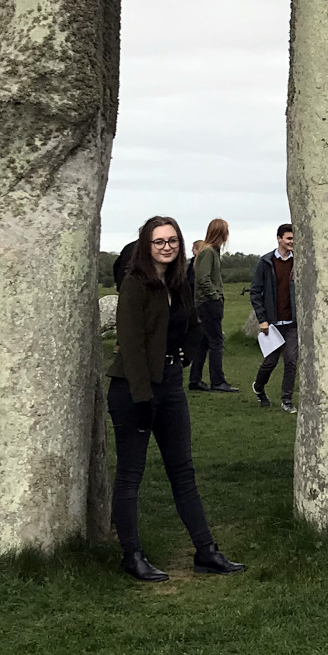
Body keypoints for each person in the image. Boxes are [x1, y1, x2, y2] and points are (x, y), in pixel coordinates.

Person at [107, 215, 245, 582]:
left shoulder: (179, 281)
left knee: (183, 471)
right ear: (145, 246)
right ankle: (132, 555)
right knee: (130, 475)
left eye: (172, 241)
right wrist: (141, 397)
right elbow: (132, 345)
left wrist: (183, 355)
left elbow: (195, 326)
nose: (166, 247)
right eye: (158, 242)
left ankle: (206, 551)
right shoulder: (135, 284)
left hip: (169, 385)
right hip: (133, 389)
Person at [251, 223, 298, 413]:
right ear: (279, 239)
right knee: (270, 362)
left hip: (292, 322)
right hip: (272, 322)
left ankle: (286, 400)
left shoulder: (299, 261)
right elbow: (255, 292)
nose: (291, 242)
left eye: (294, 239)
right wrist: (262, 319)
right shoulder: (265, 262)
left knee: (291, 360)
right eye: (288, 238)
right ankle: (259, 388)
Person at [187, 220, 236, 393]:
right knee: (216, 342)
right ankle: (218, 381)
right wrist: (215, 297)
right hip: (208, 303)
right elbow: (202, 278)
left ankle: (195, 380)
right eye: (226, 230)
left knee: (204, 343)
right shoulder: (208, 252)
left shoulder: (212, 251)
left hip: (207, 302)